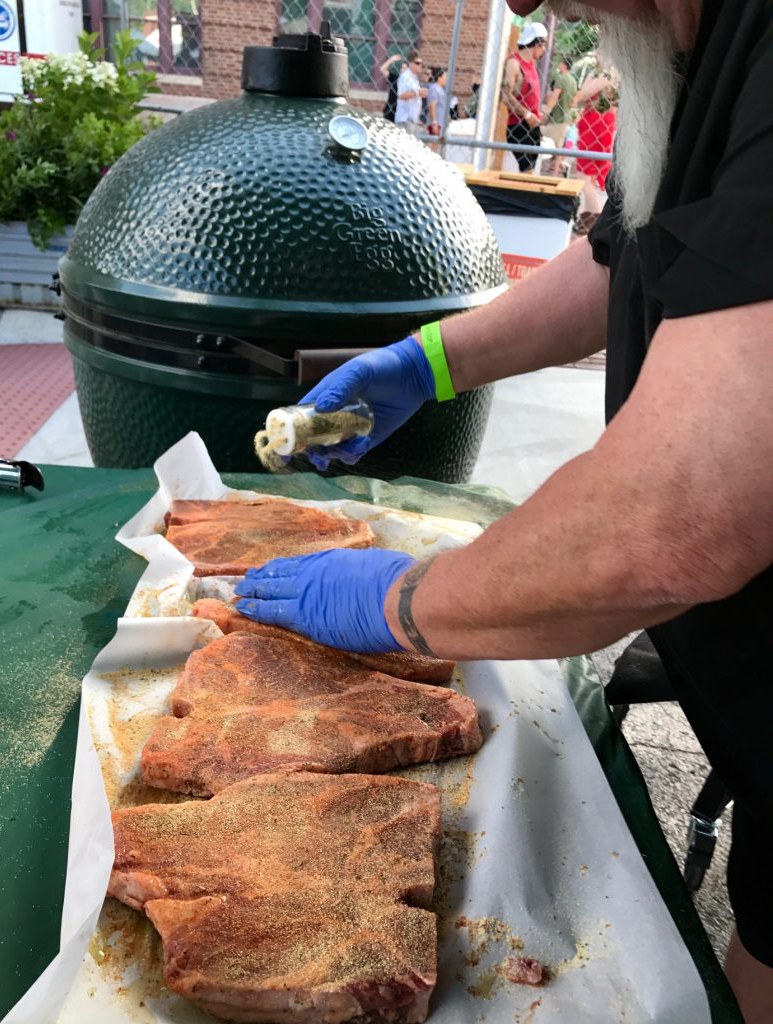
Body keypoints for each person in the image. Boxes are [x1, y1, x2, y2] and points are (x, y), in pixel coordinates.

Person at [235, 2, 773, 1021]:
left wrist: (406, 602)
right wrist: (429, 361)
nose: (521, 7)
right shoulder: (689, 50)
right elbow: (629, 253)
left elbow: (672, 520)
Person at [573, 63, 618, 232]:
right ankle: (588, 220)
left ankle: (597, 221)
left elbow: (583, 94)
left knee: (583, 176)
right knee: (588, 176)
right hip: (597, 123)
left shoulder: (608, 72)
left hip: (597, 125)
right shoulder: (604, 72)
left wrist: (591, 76)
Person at [502, 21, 548, 173]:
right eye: (543, 45)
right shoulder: (514, 63)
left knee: (529, 173)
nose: (544, 49)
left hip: (532, 126)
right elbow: (506, 96)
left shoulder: (531, 64)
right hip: (519, 125)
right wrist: (527, 114)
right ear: (536, 43)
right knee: (527, 174)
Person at [541, 56, 577, 173]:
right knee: (558, 147)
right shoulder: (573, 81)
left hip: (557, 117)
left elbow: (555, 97)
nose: (558, 65)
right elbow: (573, 101)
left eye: (560, 63)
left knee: (541, 135)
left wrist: (546, 111)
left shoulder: (561, 78)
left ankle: (551, 169)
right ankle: (555, 173)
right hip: (566, 116)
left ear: (564, 65)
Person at [394, 49, 428, 135]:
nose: (419, 65)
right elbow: (401, 95)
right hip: (405, 119)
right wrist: (418, 93)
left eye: (421, 63)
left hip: (413, 119)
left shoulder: (414, 78)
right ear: (410, 63)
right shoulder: (405, 77)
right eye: (417, 63)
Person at [380, 53, 404, 122]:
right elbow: (382, 69)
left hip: (401, 113)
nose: (403, 70)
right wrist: (391, 60)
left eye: (406, 69)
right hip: (390, 111)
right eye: (402, 68)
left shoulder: (410, 83)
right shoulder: (395, 78)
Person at [426, 67, 448, 136]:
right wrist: (434, 123)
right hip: (435, 124)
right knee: (433, 145)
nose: (446, 79)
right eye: (444, 77)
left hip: (441, 123)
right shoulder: (434, 88)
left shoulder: (441, 89)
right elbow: (432, 106)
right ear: (439, 78)